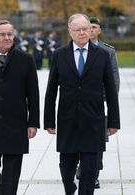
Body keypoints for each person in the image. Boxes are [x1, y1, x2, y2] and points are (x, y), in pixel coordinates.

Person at [44, 13, 120, 195]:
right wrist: (48, 120)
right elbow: (51, 90)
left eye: (85, 29)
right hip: (67, 119)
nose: (82, 33)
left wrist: (113, 122)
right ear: (70, 32)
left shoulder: (102, 55)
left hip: (93, 119)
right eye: (77, 30)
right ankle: (70, 189)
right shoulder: (59, 55)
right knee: (66, 165)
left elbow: (110, 90)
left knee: (90, 166)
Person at [0, 20, 40, 195]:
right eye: (3, 34)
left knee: (11, 173)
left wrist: (33, 122)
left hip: (16, 124)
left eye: (10, 34)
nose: (7, 37)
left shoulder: (26, 60)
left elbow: (33, 95)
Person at [75, 16, 120, 189]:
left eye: (94, 27)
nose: (91, 30)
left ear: (99, 30)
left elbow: (114, 77)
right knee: (78, 135)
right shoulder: (75, 49)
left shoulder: (107, 51)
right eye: (88, 27)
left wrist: (111, 100)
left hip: (98, 101)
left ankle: (94, 173)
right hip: (79, 102)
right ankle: (81, 166)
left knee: (98, 139)